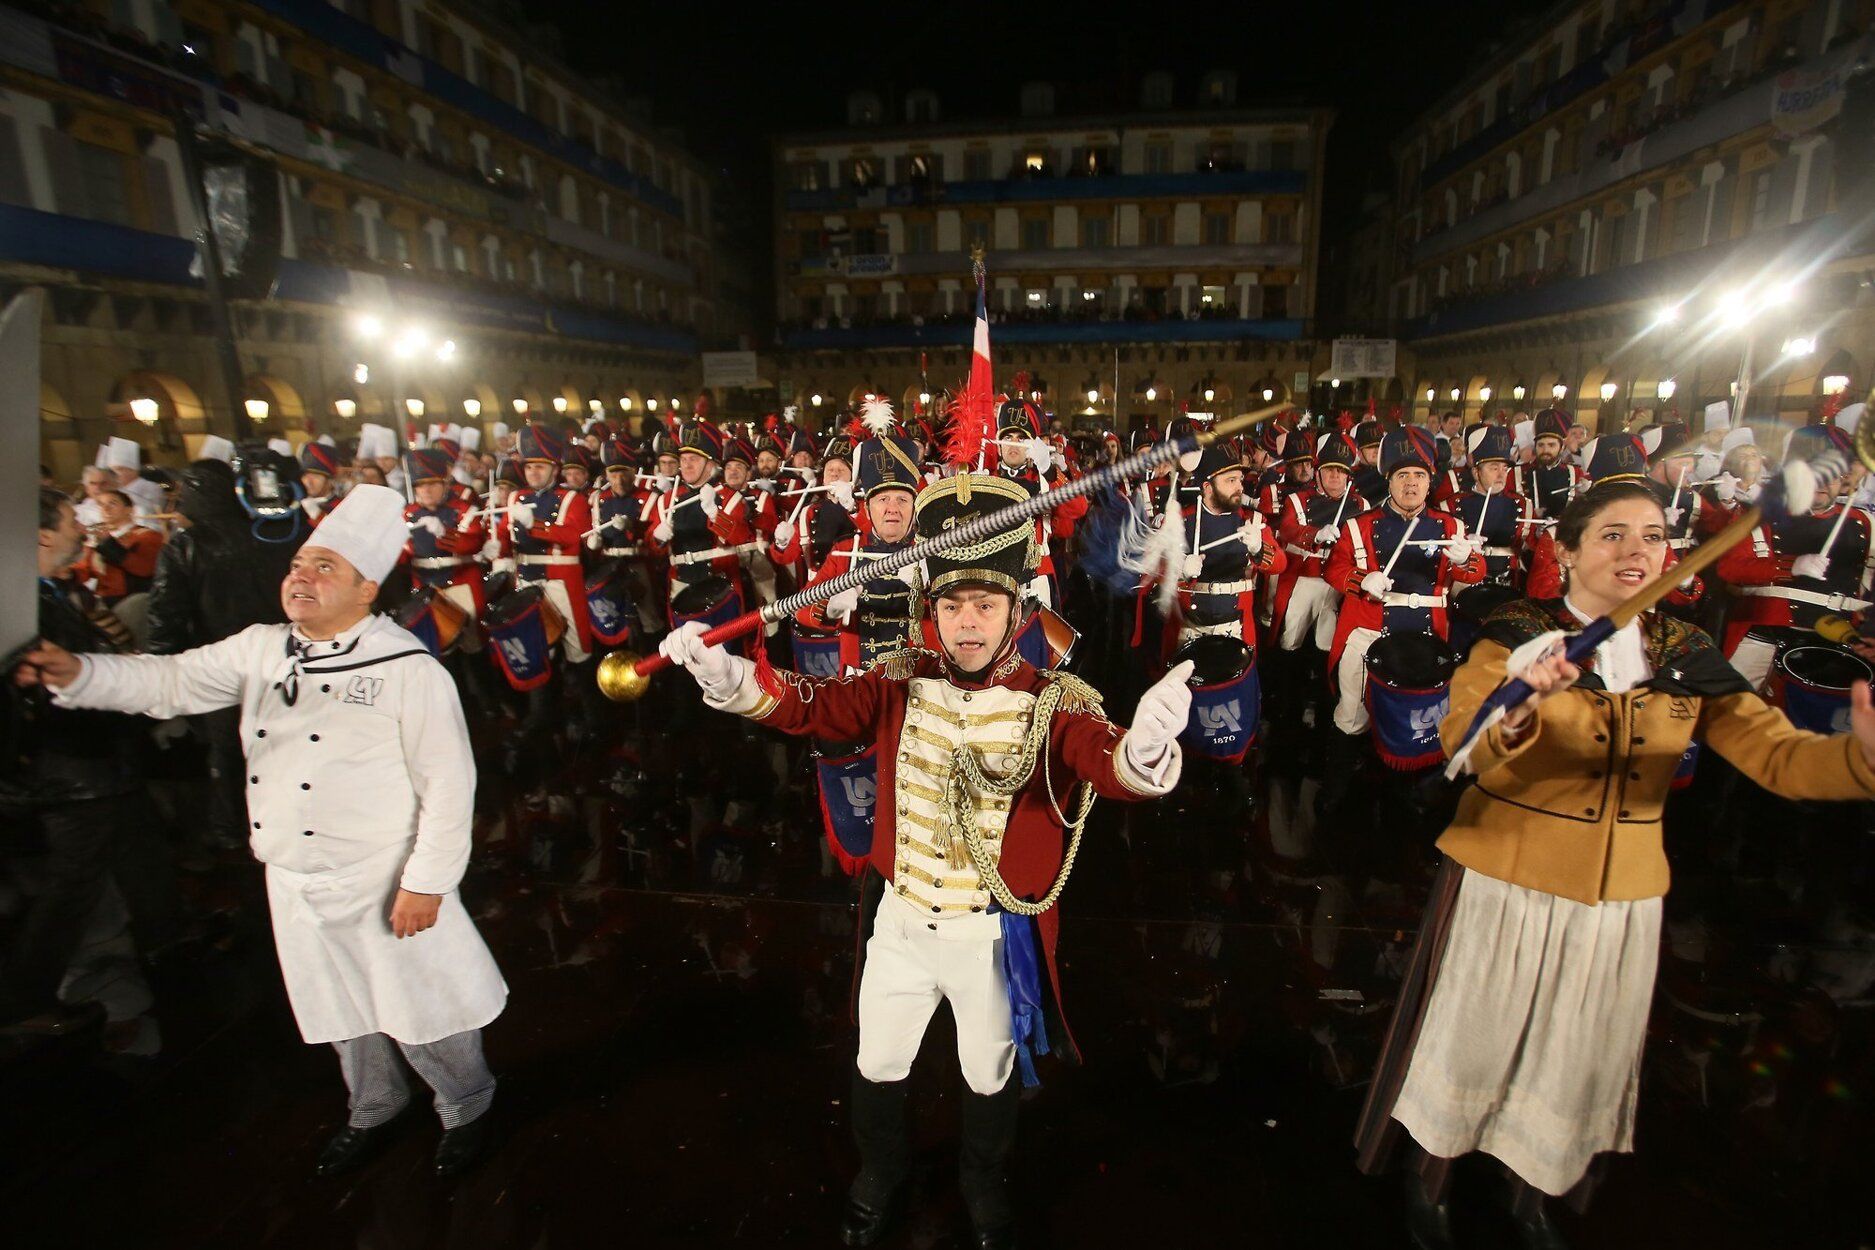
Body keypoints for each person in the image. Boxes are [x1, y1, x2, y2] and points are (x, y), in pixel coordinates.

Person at [657, 468, 1190, 1250]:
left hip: (990, 939)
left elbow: (1105, 764)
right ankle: (879, 1173)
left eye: (984, 605)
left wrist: (1141, 751)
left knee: (986, 1074)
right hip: (900, 924)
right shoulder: (898, 677)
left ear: (1016, 611)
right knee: (877, 1061)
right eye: (950, 605)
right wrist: (732, 677)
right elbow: (812, 706)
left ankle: (981, 1180)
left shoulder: (1058, 699)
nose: (966, 624)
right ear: (929, 611)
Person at [1353, 479, 1875, 1247]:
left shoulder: (1684, 649)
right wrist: (1518, 707)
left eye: (1654, 537)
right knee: (1474, 1035)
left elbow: (1777, 755)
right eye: (1612, 535)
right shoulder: (1513, 636)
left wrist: (1860, 759)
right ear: (1563, 550)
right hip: (1509, 880)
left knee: (1574, 1050)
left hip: (1622, 895)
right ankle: (1428, 1181)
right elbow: (1461, 744)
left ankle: (1530, 1188)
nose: (1639, 552)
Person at [17, 485, 507, 1178]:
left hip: (382, 873)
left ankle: (468, 1105)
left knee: (424, 1007)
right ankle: (374, 1106)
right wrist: (79, 672)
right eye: (299, 564)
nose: (301, 577)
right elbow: (169, 681)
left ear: (367, 588)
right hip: (291, 874)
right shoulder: (260, 648)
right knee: (339, 1006)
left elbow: (450, 789)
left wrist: (425, 883)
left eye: (325, 567)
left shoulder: (409, 670)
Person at [0, 490, 171, 1030]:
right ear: (43, 535)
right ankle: (22, 1002)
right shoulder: (24, 607)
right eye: (74, 519)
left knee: (144, 852)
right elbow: (48, 691)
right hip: (71, 770)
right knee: (71, 890)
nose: (83, 526)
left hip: (102, 762)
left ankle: (172, 938)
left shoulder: (52, 593)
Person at [1324, 428, 1487, 742]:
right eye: (1402, 475)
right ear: (1389, 480)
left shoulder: (1452, 525)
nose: (1411, 482)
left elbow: (1474, 574)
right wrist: (1362, 580)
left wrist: (1465, 559)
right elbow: (1334, 568)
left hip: (1428, 637)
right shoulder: (1359, 524)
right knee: (1354, 716)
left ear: (1429, 482)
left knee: (1416, 724)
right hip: (1369, 632)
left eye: (1419, 475)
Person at [1717, 423, 1875, 689]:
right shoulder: (1759, 514)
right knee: (1730, 706)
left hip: (1841, 638)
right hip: (1767, 635)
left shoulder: (1863, 521)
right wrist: (1790, 566)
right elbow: (1729, 568)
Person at [72, 488, 164, 606]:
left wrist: (107, 542)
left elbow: (143, 568)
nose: (105, 509)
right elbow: (83, 570)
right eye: (101, 505)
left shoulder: (148, 536)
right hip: (104, 601)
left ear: (129, 509)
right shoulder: (96, 539)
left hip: (133, 601)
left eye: (112, 503)